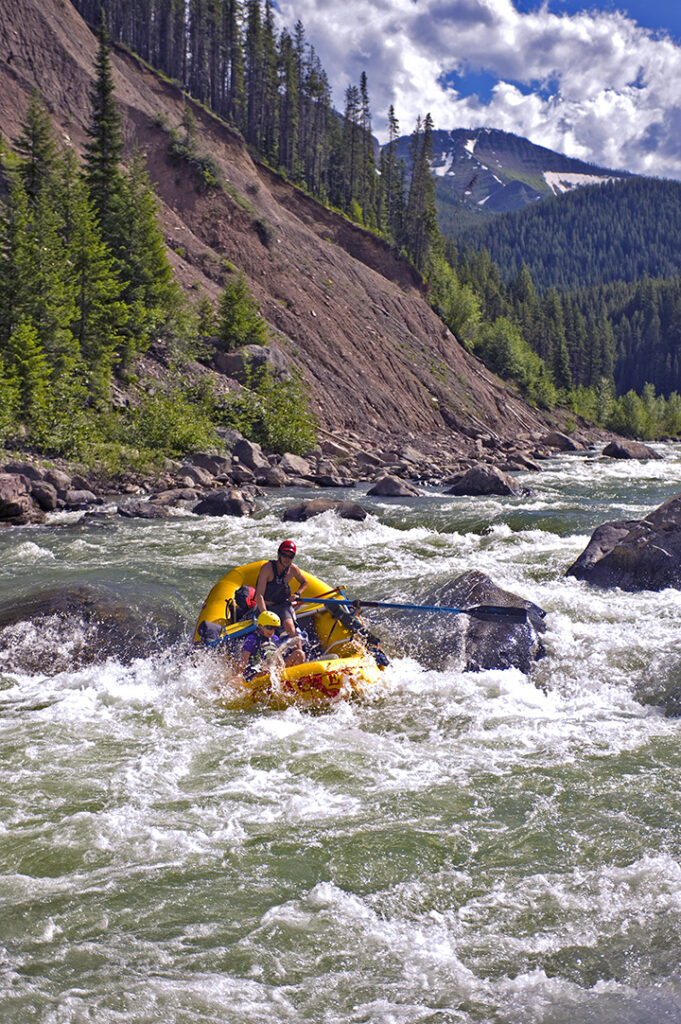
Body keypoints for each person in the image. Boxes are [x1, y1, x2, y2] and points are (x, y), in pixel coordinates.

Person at [255, 539, 308, 650]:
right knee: (265, 630)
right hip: (266, 606)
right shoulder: (267, 568)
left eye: (290, 556)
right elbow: (259, 595)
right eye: (284, 555)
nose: (287, 559)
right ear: (279, 554)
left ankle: (299, 654)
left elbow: (305, 582)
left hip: (282, 606)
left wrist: (297, 594)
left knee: (290, 627)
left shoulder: (293, 570)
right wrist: (265, 614)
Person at [239, 611, 304, 679]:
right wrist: (239, 676)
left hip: (273, 669)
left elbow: (279, 658)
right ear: (260, 626)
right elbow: (244, 661)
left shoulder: (275, 638)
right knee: (270, 671)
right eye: (269, 627)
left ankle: (296, 678)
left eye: (274, 628)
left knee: (300, 654)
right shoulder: (252, 639)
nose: (272, 631)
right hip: (257, 674)